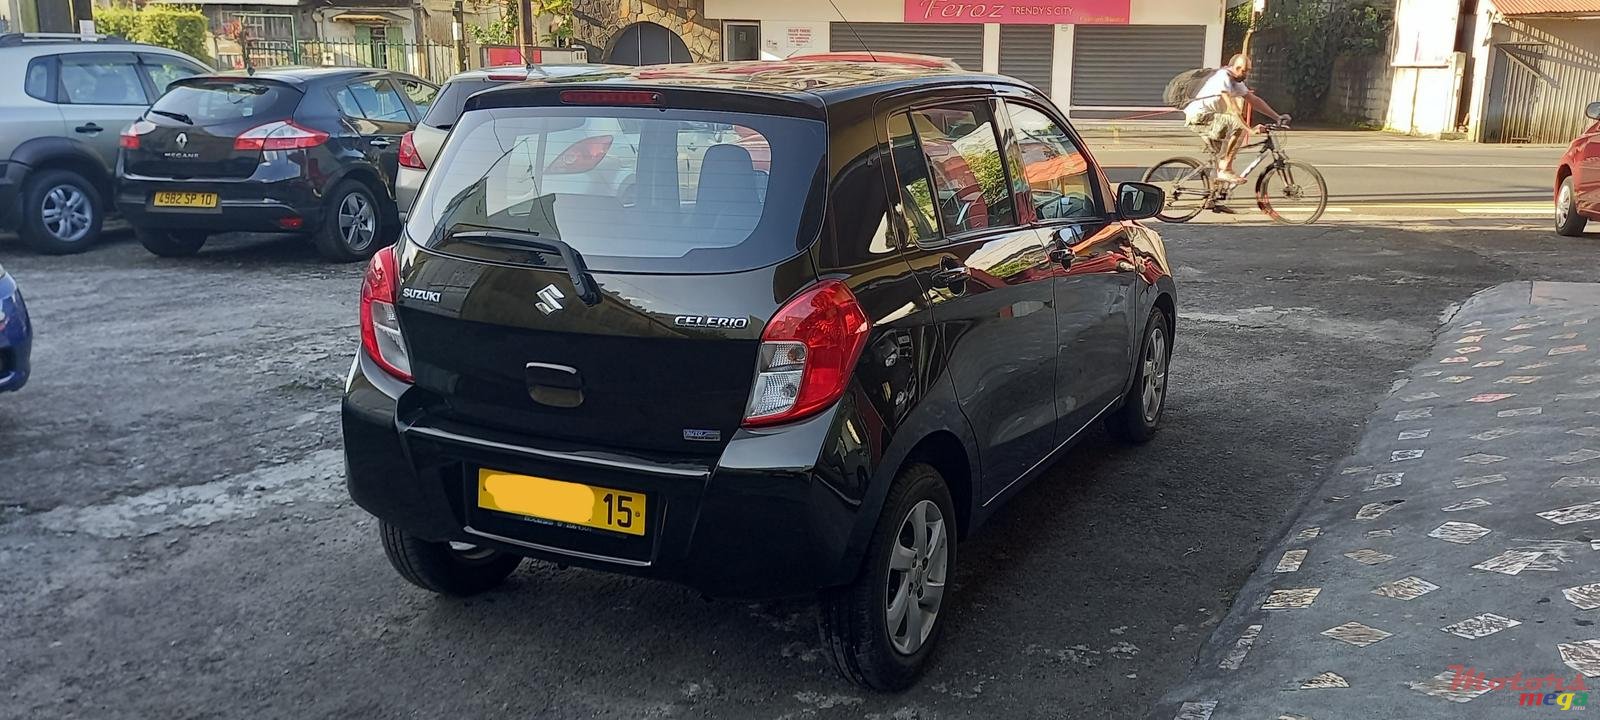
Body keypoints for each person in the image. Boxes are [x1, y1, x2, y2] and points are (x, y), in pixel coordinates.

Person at [1183, 54, 1287, 185]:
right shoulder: (1223, 77)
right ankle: (1226, 168)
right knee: (1237, 126)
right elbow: (1232, 108)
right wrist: (1249, 129)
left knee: (1222, 157)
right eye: (1244, 70)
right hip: (1200, 117)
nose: (1246, 74)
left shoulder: (1236, 81)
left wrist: (1277, 117)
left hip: (1212, 118)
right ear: (1235, 68)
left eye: (1248, 70)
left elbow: (1254, 100)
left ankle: (1213, 197)